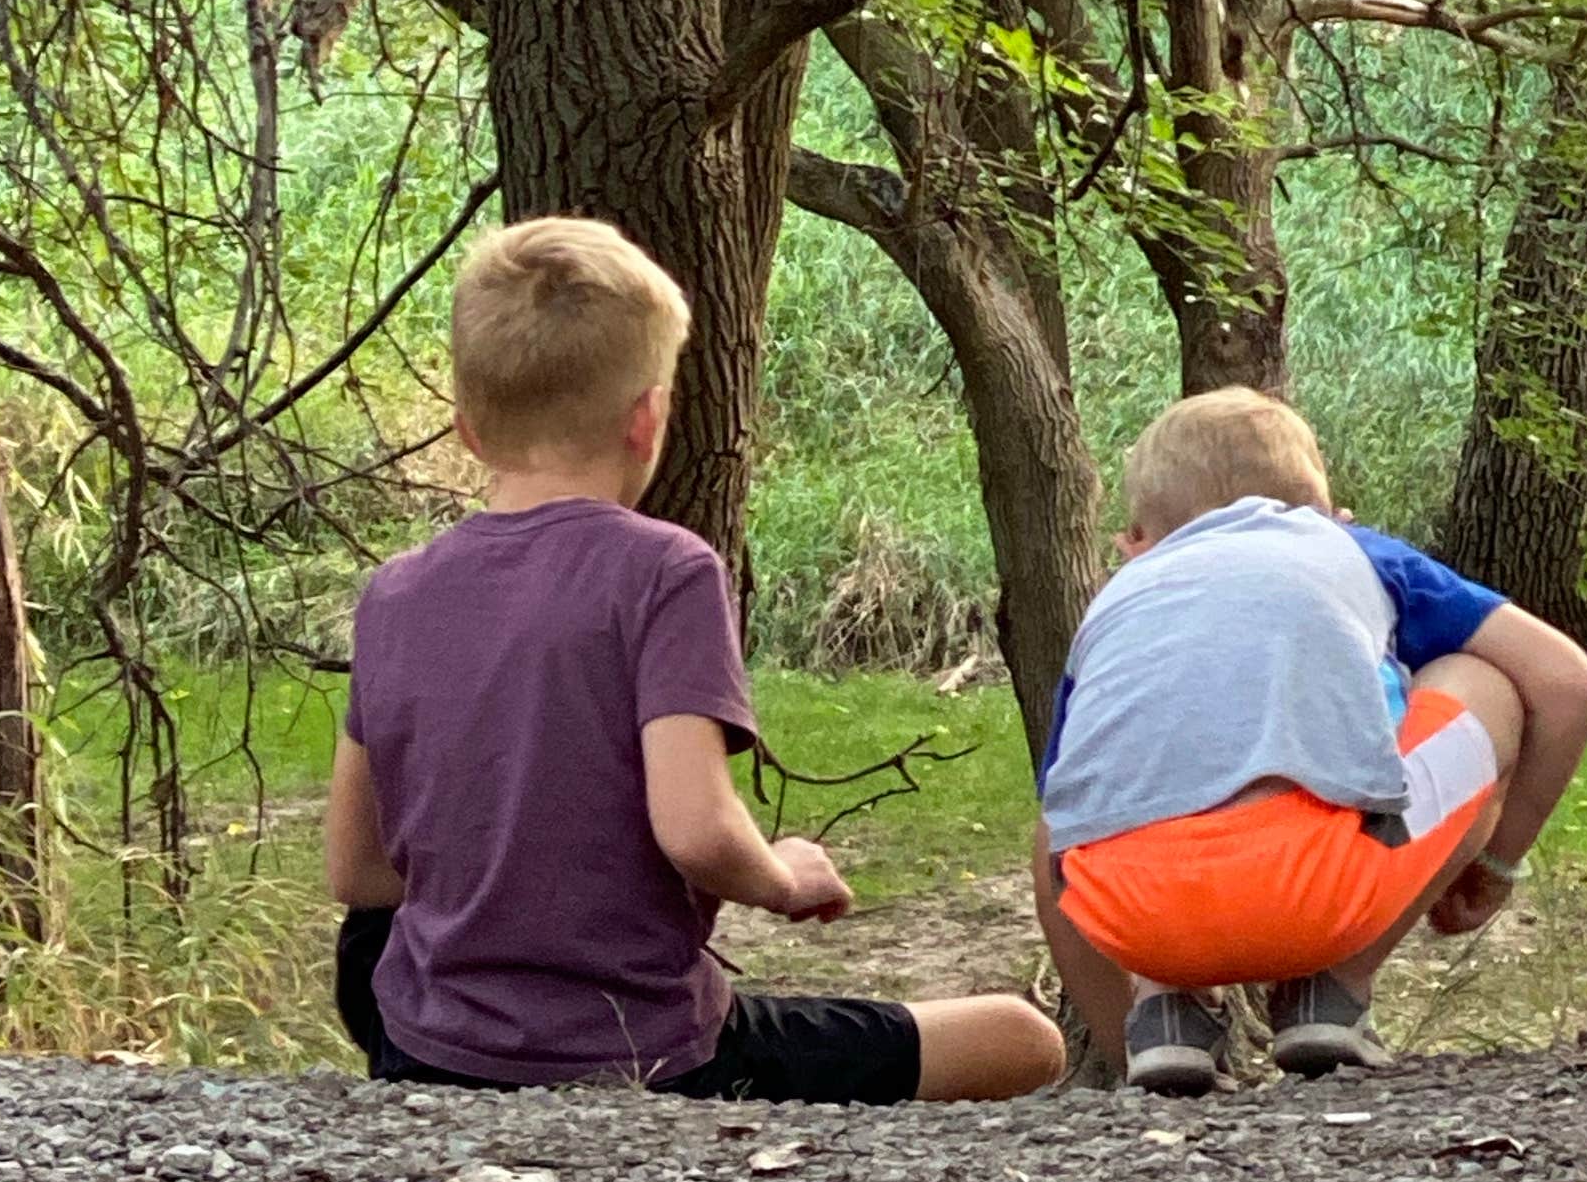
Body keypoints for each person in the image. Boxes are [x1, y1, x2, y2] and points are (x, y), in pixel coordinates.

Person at [327, 214, 1065, 1106]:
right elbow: (697, 831)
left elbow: (358, 874)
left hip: (426, 1045)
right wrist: (785, 875)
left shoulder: (395, 593)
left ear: (468, 430)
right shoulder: (664, 570)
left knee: (375, 947)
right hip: (651, 1048)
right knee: (1023, 1040)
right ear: (649, 419)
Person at [1031, 387, 1587, 1094]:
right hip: (1322, 897)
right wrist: (1495, 863)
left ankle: (1152, 1024)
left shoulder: (1116, 603)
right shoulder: (1352, 552)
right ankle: (1332, 989)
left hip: (1132, 914)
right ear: (1333, 516)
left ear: (1134, 543)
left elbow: (1067, 802)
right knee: (1482, 678)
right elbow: (1567, 684)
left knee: (1062, 821)